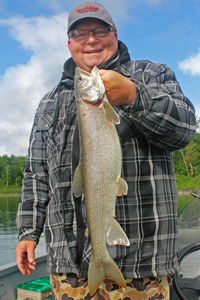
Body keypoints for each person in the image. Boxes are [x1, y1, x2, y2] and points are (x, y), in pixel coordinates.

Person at [15, 1, 196, 299]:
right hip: (68, 268)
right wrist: (28, 233)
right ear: (69, 42)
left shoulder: (151, 75)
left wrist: (135, 96)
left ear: (115, 33)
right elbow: (36, 174)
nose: (91, 39)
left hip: (143, 265)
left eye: (100, 30)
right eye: (80, 32)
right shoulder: (48, 103)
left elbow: (185, 129)